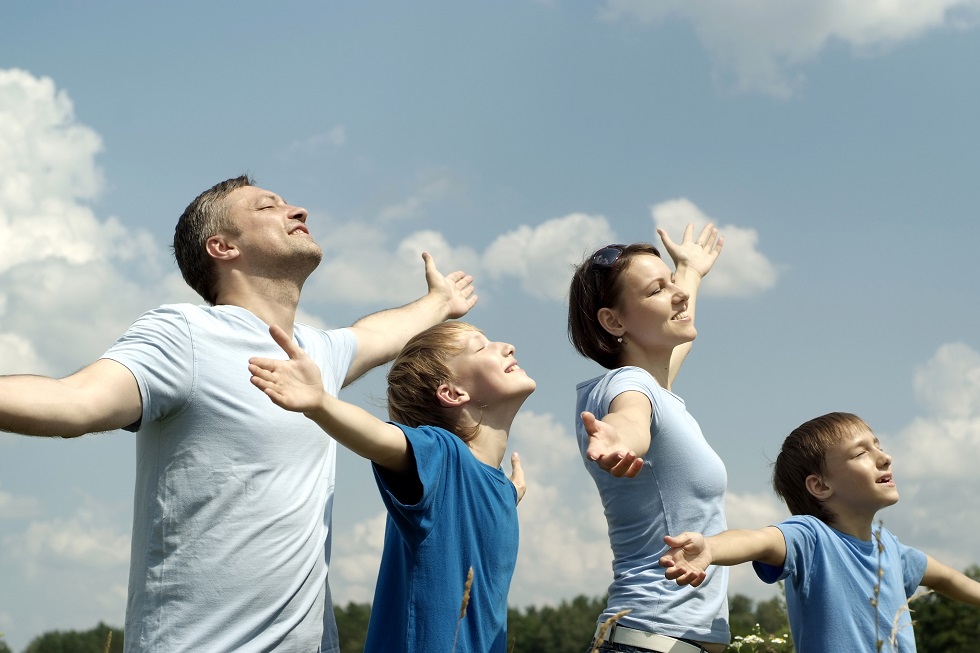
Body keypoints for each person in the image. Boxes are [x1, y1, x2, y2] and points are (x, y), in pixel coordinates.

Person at [0, 175, 477, 652]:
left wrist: (440, 302)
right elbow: (76, 401)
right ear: (223, 246)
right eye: (268, 206)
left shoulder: (313, 354)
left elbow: (376, 334)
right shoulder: (185, 334)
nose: (298, 211)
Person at [248, 320, 533, 652]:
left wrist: (507, 494)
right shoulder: (442, 455)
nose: (507, 346)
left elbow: (475, 505)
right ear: (452, 393)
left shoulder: (493, 485)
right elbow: (383, 439)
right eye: (480, 346)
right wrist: (321, 404)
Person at [659, 412, 980, 653]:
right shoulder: (812, 538)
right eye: (860, 453)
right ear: (820, 485)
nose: (885, 458)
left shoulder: (891, 551)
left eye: (877, 446)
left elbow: (947, 578)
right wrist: (711, 549)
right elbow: (759, 540)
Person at [567, 225, 729, 653]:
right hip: (650, 642)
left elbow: (679, 322)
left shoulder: (659, 390)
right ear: (613, 320)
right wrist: (621, 438)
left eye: (673, 285)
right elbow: (631, 419)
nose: (678, 295)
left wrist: (688, 271)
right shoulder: (628, 385)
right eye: (657, 290)